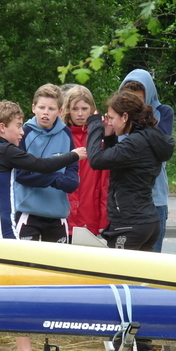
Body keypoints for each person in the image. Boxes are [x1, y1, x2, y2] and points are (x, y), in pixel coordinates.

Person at [0, 100, 86, 351]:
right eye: (18, 126)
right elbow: (41, 166)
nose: (22, 133)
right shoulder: (3, 150)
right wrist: (74, 155)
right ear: (2, 127)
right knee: (16, 287)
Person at [86, 90, 175, 251]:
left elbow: (96, 160)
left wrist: (94, 125)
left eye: (112, 118)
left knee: (117, 274)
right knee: (140, 275)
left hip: (129, 225)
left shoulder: (135, 143)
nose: (110, 122)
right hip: (147, 222)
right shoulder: (148, 137)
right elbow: (115, 161)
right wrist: (109, 137)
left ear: (125, 117)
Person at [14, 84, 79, 243]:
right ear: (33, 108)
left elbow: (72, 165)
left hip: (57, 214)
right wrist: (56, 179)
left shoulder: (66, 133)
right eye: (41, 107)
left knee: (57, 265)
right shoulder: (24, 133)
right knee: (25, 264)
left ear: (60, 111)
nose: (45, 112)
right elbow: (21, 175)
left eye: (51, 109)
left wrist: (71, 180)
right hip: (29, 213)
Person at [120, 69, 174, 252]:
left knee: (152, 261)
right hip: (126, 200)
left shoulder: (163, 112)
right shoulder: (119, 117)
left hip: (155, 198)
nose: (134, 106)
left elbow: (161, 149)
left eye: (139, 101)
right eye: (129, 100)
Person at [61, 85, 109, 238]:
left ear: (92, 109)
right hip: (63, 213)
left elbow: (104, 184)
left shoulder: (98, 138)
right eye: (75, 109)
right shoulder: (61, 135)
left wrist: (103, 221)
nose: (80, 114)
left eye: (84, 108)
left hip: (90, 214)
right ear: (68, 110)